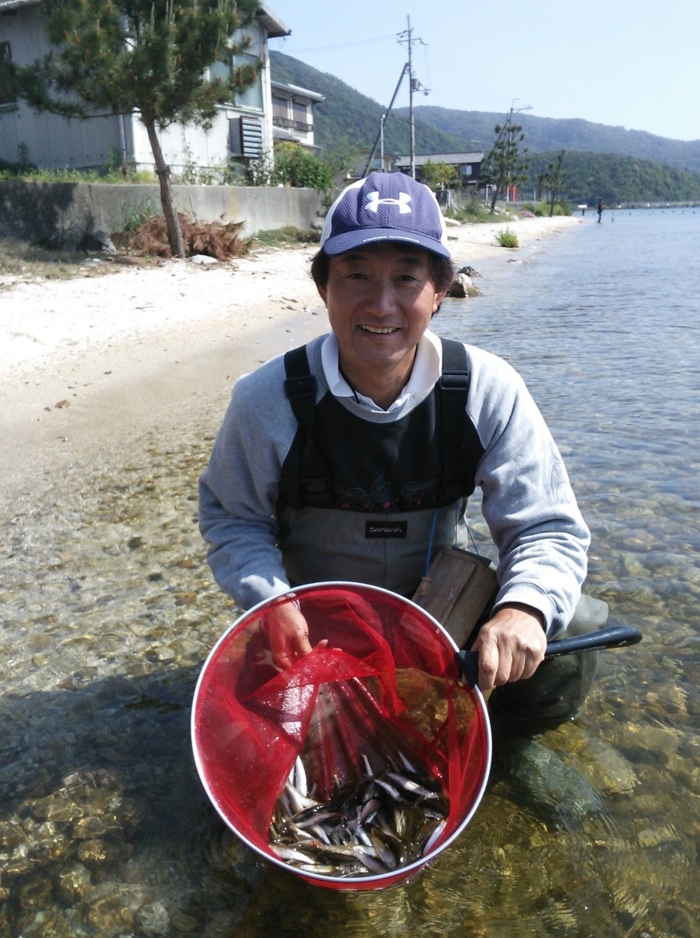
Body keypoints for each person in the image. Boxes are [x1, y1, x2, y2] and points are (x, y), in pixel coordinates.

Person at [199, 172, 605, 729]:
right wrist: (270, 600)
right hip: (312, 620)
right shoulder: (266, 400)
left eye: (407, 279)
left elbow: (547, 527)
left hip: (441, 614)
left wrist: (524, 607)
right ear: (324, 287)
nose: (381, 304)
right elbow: (232, 519)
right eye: (356, 276)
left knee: (573, 625)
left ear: (440, 291)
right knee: (259, 728)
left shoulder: (487, 389)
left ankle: (508, 749)